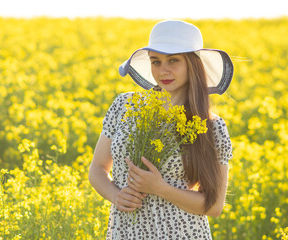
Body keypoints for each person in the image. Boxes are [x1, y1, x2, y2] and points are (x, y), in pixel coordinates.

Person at [89, 20, 234, 240]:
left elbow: (214, 206)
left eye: (173, 60)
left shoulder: (211, 127)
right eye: (155, 62)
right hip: (125, 232)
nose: (163, 70)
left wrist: (160, 188)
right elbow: (97, 169)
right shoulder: (125, 106)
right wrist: (116, 195)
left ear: (192, 64)